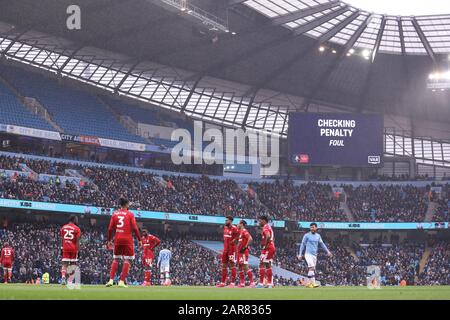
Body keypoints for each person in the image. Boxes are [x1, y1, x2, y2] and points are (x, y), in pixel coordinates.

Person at [106, 198, 142, 288]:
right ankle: (121, 281)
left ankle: (110, 280)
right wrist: (139, 239)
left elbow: (110, 229)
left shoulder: (115, 214)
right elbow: (135, 228)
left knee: (116, 259)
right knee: (127, 260)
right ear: (126, 205)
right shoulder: (130, 214)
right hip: (127, 240)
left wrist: (109, 240)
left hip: (117, 239)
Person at [297, 222, 332, 288]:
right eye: (311, 227)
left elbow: (322, 244)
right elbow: (302, 244)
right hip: (308, 254)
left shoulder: (318, 236)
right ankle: (313, 283)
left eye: (313, 227)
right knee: (311, 267)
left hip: (314, 255)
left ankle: (309, 283)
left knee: (312, 269)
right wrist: (300, 254)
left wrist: (328, 251)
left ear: (316, 228)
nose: (312, 228)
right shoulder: (306, 235)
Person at [216, 216, 239, 288]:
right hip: (225, 250)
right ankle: (222, 282)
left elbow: (239, 236)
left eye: (227, 220)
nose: (225, 222)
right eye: (225, 220)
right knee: (224, 265)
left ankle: (232, 283)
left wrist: (234, 242)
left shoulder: (234, 228)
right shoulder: (225, 228)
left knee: (232, 265)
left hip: (232, 250)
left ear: (231, 221)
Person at [60, 215, 81, 285]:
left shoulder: (63, 227)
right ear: (74, 219)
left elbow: (62, 239)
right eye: (77, 219)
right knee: (72, 265)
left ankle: (63, 278)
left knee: (64, 264)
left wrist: (61, 248)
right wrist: (78, 250)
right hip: (73, 248)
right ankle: (70, 281)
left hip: (65, 247)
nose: (77, 221)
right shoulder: (77, 229)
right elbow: (77, 241)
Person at [256, 216, 276, 289]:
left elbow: (268, 235)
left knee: (262, 264)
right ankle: (270, 284)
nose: (259, 222)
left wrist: (265, 244)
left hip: (268, 248)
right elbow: (273, 238)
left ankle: (261, 284)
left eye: (260, 220)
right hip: (271, 247)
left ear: (264, 220)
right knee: (268, 265)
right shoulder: (269, 227)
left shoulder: (265, 227)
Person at [237, 220, 255, 288]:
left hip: (243, 252)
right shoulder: (240, 232)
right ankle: (242, 283)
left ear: (241, 224)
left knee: (245, 266)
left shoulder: (244, 231)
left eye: (238, 223)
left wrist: (245, 247)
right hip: (239, 252)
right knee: (240, 267)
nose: (237, 225)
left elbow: (250, 238)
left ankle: (252, 283)